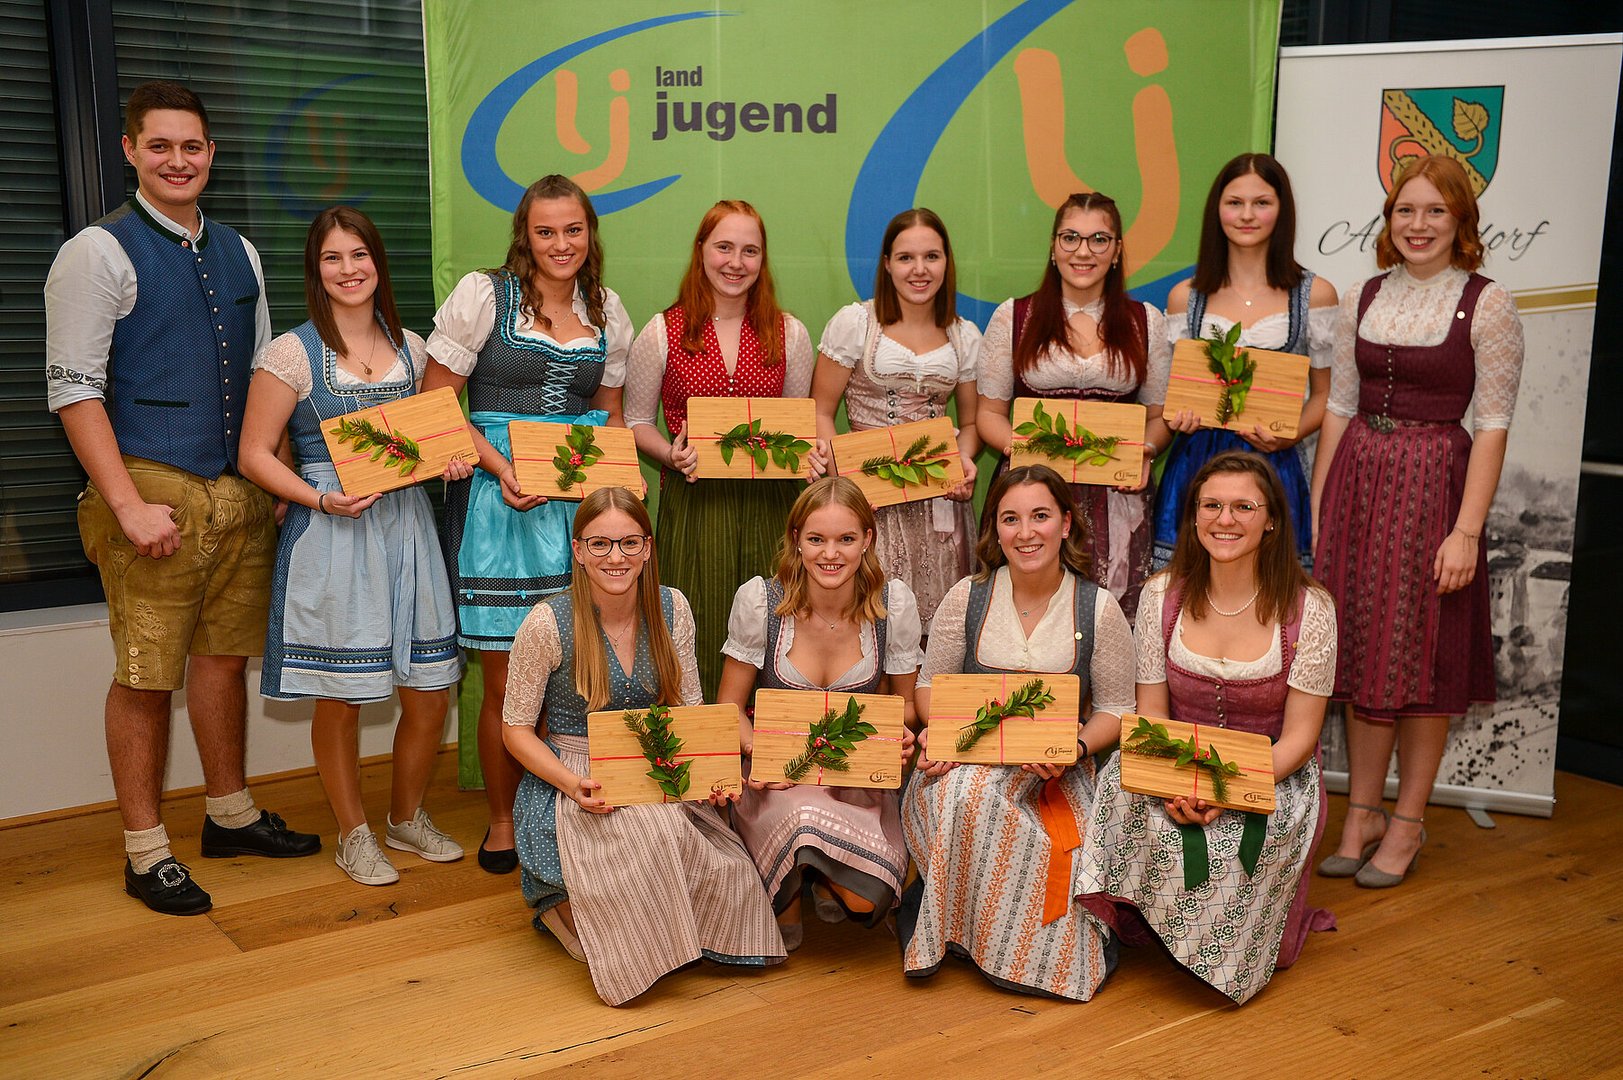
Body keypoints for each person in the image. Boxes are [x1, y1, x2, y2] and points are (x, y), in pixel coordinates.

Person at [44, 81, 319, 916]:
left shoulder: (240, 250)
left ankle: (229, 814)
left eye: (191, 146)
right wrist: (126, 505)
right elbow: (74, 390)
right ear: (130, 150)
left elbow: (269, 374)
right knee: (145, 674)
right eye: (159, 146)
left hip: (237, 494)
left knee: (223, 660)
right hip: (149, 493)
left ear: (210, 154)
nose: (177, 160)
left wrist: (273, 474)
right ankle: (144, 850)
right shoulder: (96, 252)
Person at [1311, 155, 1523, 888]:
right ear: (1388, 218)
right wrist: (1321, 510)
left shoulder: (1486, 304)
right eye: (1406, 210)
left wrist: (1466, 531)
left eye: (1435, 210)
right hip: (1361, 485)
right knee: (1363, 654)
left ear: (1460, 219)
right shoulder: (1364, 295)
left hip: (1436, 488)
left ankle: (1406, 821)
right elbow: (1339, 408)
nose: (1418, 224)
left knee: (1423, 657)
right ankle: (1361, 814)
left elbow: (1492, 426)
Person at [239, 207, 468, 885]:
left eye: (359, 254)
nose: (348, 269)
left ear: (377, 262)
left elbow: (429, 440)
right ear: (316, 270)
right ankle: (353, 833)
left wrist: (449, 458)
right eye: (332, 258)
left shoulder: (414, 349)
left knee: (430, 689)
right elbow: (253, 453)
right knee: (341, 694)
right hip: (333, 531)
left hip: (407, 527)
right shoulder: (290, 353)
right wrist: (319, 499)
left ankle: (405, 817)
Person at [422, 175, 633, 875]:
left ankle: (569, 814)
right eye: (546, 231)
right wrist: (499, 466)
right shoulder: (485, 296)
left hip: (577, 509)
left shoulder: (607, 310)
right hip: (499, 505)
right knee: (509, 680)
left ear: (590, 233)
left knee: (577, 674)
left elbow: (610, 418)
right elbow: (436, 401)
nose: (561, 244)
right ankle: (504, 820)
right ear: (525, 235)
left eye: (573, 230)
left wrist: (612, 500)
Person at [501, 487, 785, 1005]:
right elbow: (516, 730)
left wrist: (712, 774)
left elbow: (690, 710)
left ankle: (629, 925)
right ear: (578, 550)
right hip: (575, 770)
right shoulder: (547, 622)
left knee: (726, 866)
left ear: (648, 548)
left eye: (629, 543)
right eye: (601, 544)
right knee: (650, 838)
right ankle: (570, 908)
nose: (616, 557)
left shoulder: (672, 608)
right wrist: (573, 784)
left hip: (656, 759)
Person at [1078, 451, 1337, 1004]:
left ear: (1271, 520)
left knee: (1231, 845)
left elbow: (1299, 738)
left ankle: (1231, 949)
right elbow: (1152, 717)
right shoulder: (1161, 595)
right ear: (1193, 515)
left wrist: (1226, 789)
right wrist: (1176, 784)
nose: (1226, 519)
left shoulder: (1310, 609)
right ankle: (1146, 925)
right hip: (1176, 759)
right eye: (1212, 505)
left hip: (1272, 772)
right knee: (1118, 780)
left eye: (1244, 507)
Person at [903, 465, 1136, 1001]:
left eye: (1040, 516)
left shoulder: (1097, 608)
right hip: (967, 758)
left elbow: (1118, 710)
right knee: (969, 795)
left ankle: (1022, 955)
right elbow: (928, 688)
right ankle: (963, 935)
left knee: (1044, 831)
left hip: (1056, 769)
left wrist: (1075, 747)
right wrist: (953, 734)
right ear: (995, 528)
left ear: (1066, 523)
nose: (1026, 532)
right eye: (1010, 519)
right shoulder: (968, 596)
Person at [624, 199, 824, 700]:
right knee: (697, 625)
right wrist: (670, 455)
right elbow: (635, 422)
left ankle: (769, 740)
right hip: (697, 504)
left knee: (776, 625)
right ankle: (703, 738)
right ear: (701, 251)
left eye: (749, 251)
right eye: (724, 247)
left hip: (772, 506)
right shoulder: (663, 331)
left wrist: (811, 456)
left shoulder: (790, 333)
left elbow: (799, 424)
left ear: (762, 259)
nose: (736, 262)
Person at [717, 477, 921, 949]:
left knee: (863, 902)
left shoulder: (893, 605)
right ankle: (791, 886)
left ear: (867, 539)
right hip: (777, 780)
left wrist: (899, 733)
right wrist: (760, 751)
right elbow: (729, 708)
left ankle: (820, 874)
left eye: (846, 539)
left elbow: (907, 705)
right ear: (796, 539)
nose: (831, 554)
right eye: (816, 539)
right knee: (802, 813)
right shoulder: (760, 601)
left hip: (855, 779)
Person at [975, 192, 1172, 622]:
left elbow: (1159, 418)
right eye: (1071, 238)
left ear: (1117, 250)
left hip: (1116, 496)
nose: (1084, 251)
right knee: (1025, 614)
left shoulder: (1146, 321)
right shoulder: (1014, 316)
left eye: (1099, 239)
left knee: (1107, 621)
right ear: (1053, 246)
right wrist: (1027, 454)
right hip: (1032, 494)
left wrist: (1145, 452)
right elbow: (988, 415)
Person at [1154, 153, 1339, 568]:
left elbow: (1326, 395)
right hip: (1197, 464)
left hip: (1276, 465)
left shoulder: (1316, 295)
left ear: (1282, 209)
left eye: (1262, 203)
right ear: (1216, 210)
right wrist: (1179, 416)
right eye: (1235, 203)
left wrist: (1289, 435)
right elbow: (1173, 393)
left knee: (1273, 589)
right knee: (1189, 588)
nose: (1247, 215)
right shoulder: (1186, 297)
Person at [811, 208, 982, 628]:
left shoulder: (964, 335)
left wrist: (962, 459)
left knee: (937, 628)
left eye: (931, 256)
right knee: (867, 621)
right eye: (906, 257)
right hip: (867, 498)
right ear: (887, 264)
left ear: (947, 262)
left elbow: (972, 424)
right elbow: (820, 411)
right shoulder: (855, 324)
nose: (919, 270)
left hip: (938, 500)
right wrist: (845, 482)